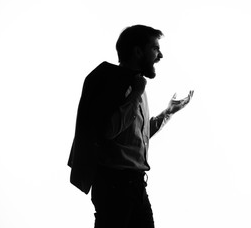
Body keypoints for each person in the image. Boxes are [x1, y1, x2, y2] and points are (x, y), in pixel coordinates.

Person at [68, 25, 194, 228]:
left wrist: (167, 113)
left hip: (136, 186)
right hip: (114, 188)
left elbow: (135, 137)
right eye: (155, 48)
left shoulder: (138, 86)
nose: (160, 55)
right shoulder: (114, 84)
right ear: (137, 51)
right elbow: (107, 131)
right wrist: (135, 92)